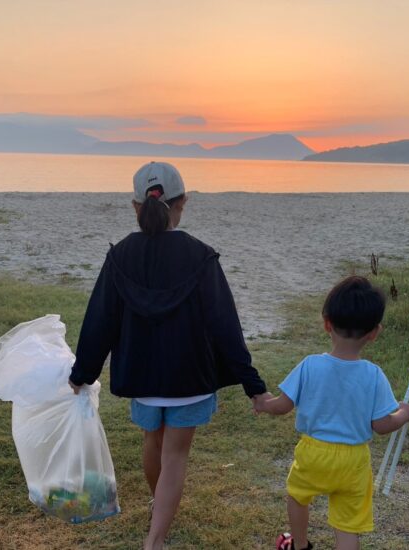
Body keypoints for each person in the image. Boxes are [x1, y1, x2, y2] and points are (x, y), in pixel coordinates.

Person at [68, 161, 268, 550]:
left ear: (135, 206)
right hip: (189, 378)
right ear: (183, 203)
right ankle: (155, 538)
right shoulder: (200, 256)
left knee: (152, 442)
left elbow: (99, 321)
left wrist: (83, 374)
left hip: (142, 378)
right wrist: (254, 386)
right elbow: (226, 325)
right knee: (175, 455)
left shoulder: (120, 256)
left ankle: (157, 506)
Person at [253, 276, 409, 550]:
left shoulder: (309, 366)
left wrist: (263, 402)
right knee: (348, 523)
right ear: (375, 332)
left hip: (313, 454)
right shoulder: (374, 375)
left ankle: (300, 544)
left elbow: (282, 405)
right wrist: (405, 413)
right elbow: (381, 424)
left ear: (326, 323)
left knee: (297, 496)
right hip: (354, 460)